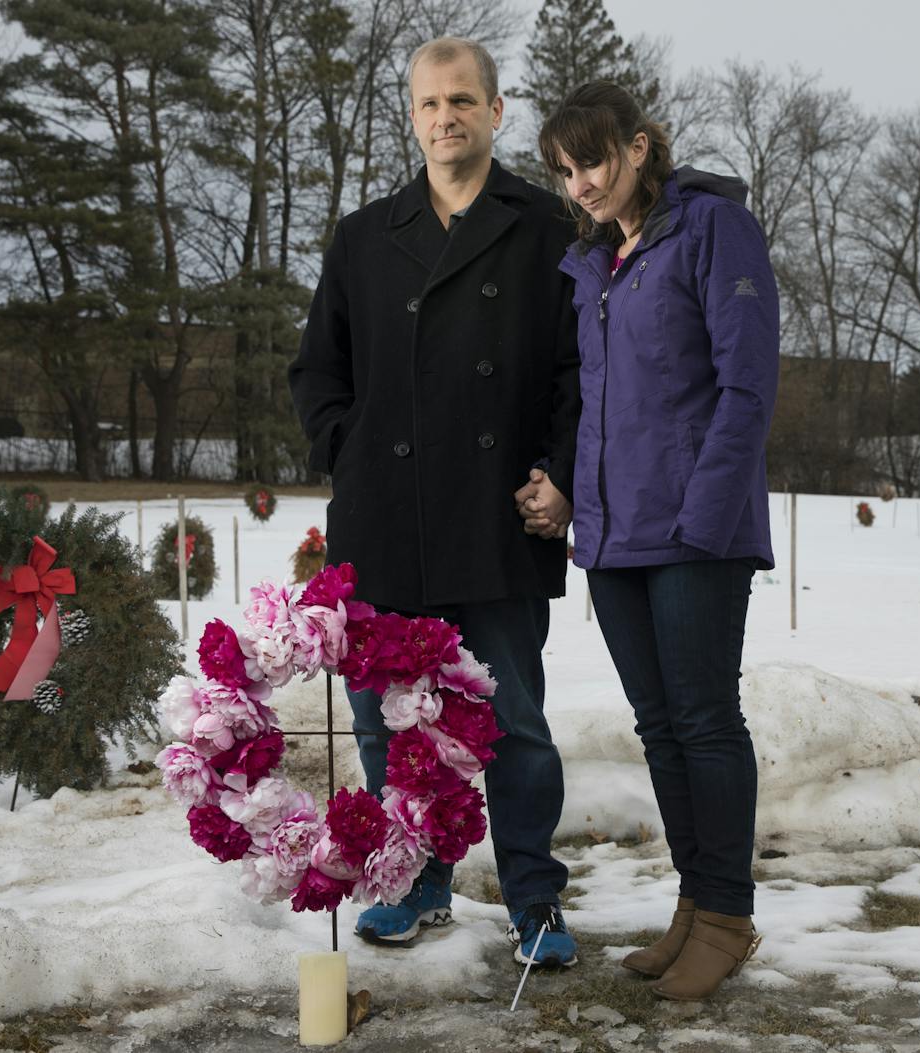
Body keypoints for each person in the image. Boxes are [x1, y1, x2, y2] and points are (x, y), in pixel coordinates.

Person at [289, 37, 582, 967]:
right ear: (410, 117)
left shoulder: (547, 227)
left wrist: (563, 474)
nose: (445, 117)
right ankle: (416, 885)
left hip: (502, 512)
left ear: (498, 112)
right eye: (429, 104)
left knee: (513, 720)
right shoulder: (364, 235)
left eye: (463, 100)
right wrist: (355, 451)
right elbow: (316, 373)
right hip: (387, 519)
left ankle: (535, 896)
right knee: (387, 722)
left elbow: (583, 373)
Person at [527, 81, 779, 1000]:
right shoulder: (596, 262)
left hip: (693, 532)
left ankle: (728, 914)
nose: (580, 184)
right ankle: (694, 901)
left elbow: (746, 385)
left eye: (591, 161)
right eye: (564, 171)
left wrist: (706, 524)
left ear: (638, 147)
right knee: (661, 727)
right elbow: (598, 406)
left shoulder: (712, 230)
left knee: (707, 721)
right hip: (617, 535)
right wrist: (577, 508)